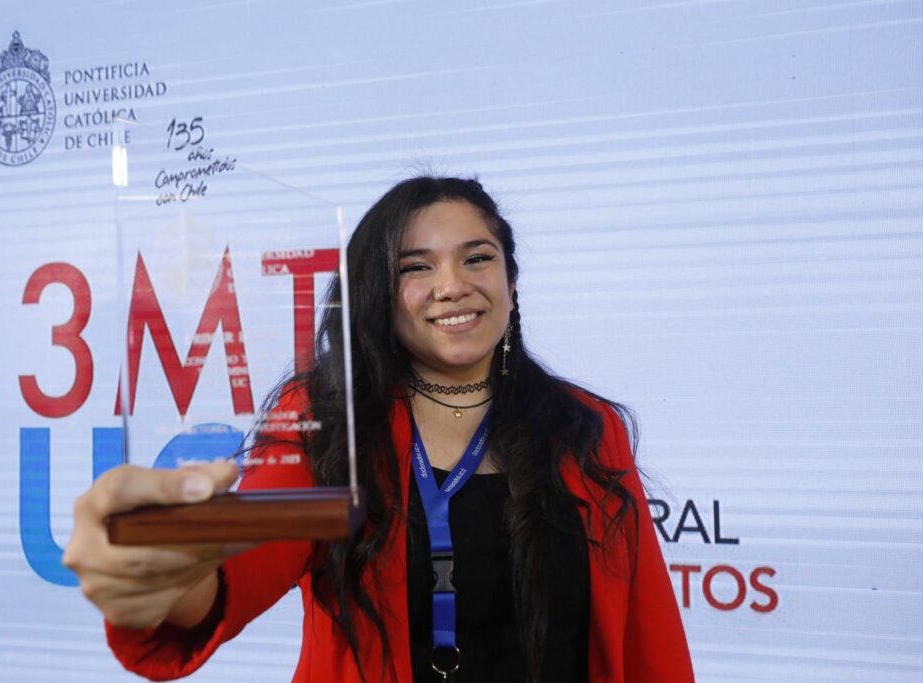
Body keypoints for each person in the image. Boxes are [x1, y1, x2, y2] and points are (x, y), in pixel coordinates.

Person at [63, 176, 694, 683]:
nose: (453, 286)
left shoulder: (586, 426)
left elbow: (647, 635)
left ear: (511, 282)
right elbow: (250, 557)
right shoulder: (327, 421)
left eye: (478, 258)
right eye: (414, 268)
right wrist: (169, 574)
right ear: (376, 294)